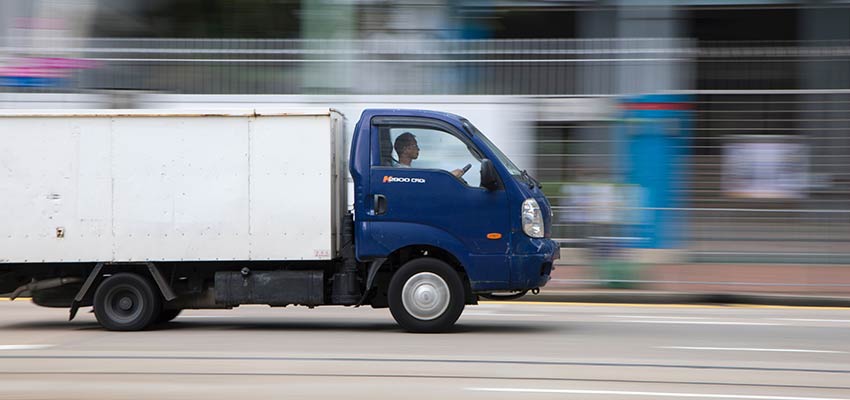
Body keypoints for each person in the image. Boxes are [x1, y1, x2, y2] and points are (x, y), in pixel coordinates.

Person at [393, 132, 466, 178]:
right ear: (406, 149)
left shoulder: (403, 169)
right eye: (415, 146)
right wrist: (450, 177)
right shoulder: (403, 173)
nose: (418, 149)